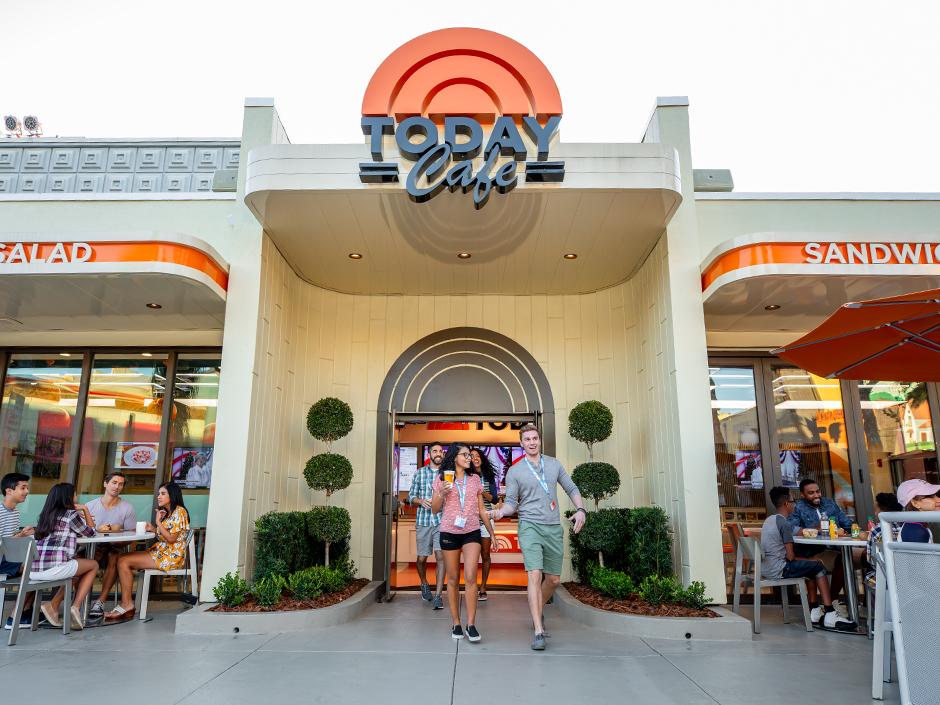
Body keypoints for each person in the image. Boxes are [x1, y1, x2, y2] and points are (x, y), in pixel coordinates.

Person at [488, 424, 586, 651]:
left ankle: (536, 607)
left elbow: (571, 488)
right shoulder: (515, 471)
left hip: (552, 527)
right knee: (534, 574)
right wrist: (500, 513)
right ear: (521, 443)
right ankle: (539, 631)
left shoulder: (553, 464)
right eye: (527, 439)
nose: (532, 442)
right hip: (529, 526)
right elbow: (511, 503)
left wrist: (581, 509)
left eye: (535, 438)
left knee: (553, 580)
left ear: (539, 440)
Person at [762, 486, 855, 630]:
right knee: (818, 566)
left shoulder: (769, 520)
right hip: (779, 569)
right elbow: (790, 557)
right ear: (786, 503)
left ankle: (815, 610)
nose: (794, 504)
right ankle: (830, 613)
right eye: (793, 501)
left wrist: (808, 560)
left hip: (767, 567)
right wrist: (811, 561)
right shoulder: (784, 524)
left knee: (810, 565)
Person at [431, 443, 498, 642]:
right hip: (449, 532)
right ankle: (456, 623)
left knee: (470, 577)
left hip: (471, 531)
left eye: (470, 455)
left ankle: (471, 624)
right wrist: (442, 493)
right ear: (455, 457)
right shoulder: (441, 479)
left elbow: (481, 510)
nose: (470, 458)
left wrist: (492, 533)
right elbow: (434, 509)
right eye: (465, 455)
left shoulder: (475, 479)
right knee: (452, 579)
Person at [105, 482, 190, 621]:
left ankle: (127, 604)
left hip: (170, 557)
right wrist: (154, 529)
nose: (159, 496)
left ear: (172, 495)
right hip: (161, 552)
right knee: (121, 558)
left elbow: (171, 538)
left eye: (163, 493)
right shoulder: (169, 513)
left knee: (123, 561)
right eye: (159, 493)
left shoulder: (179, 512)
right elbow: (165, 536)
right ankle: (126, 603)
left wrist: (158, 522)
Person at [31, 483, 98, 629]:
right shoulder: (70, 514)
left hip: (33, 570)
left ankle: (53, 606)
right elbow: (91, 533)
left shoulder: (45, 515)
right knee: (93, 565)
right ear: (68, 497)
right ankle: (75, 607)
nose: (76, 496)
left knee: (77, 570)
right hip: (54, 569)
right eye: (75, 494)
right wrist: (85, 509)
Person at [787, 478, 855, 608]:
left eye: (818, 491)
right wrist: (815, 529)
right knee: (843, 560)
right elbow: (791, 528)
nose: (816, 495)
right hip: (815, 552)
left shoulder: (829, 503)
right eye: (811, 493)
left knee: (865, 556)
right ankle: (831, 602)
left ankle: (867, 606)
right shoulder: (798, 507)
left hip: (837, 548)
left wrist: (857, 530)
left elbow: (846, 523)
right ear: (802, 495)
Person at [86, 471, 137, 619]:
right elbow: (81, 532)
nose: (117, 486)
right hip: (91, 547)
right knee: (77, 558)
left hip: (114, 547)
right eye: (114, 483)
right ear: (105, 484)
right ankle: (81, 599)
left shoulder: (127, 508)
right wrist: (98, 530)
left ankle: (100, 601)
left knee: (115, 556)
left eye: (121, 484)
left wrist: (117, 534)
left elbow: (132, 535)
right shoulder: (90, 506)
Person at [408, 442, 446, 609]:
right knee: (422, 558)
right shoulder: (420, 473)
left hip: (442, 522)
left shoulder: (447, 474)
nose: (438, 453)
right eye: (435, 451)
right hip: (423, 521)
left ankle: (438, 595)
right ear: (429, 454)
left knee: (440, 557)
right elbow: (411, 497)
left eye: (441, 451)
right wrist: (420, 501)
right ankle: (424, 583)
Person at [1, 472, 36, 629]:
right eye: (23, 488)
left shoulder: (14, 512)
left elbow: (10, 539)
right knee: (35, 568)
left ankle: (25, 611)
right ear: (9, 491)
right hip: (2, 560)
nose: (27, 491)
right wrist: (21, 536)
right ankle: (15, 617)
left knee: (40, 565)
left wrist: (22, 535)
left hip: (8, 557)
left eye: (27, 488)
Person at [470, 447, 499, 601]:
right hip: (471, 522)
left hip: (486, 521)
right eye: (471, 456)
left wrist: (481, 491)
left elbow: (495, 499)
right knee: (472, 557)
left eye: (477, 455)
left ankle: (483, 587)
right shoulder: (467, 475)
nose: (475, 458)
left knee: (485, 555)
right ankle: (472, 586)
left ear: (481, 458)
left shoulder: (488, 476)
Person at [863, 492, 903, 589]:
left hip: (886, 577)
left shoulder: (877, 530)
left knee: (869, 575)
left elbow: (872, 560)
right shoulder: (907, 525)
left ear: (881, 510)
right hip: (907, 575)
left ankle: (876, 600)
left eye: (876, 509)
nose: (875, 513)